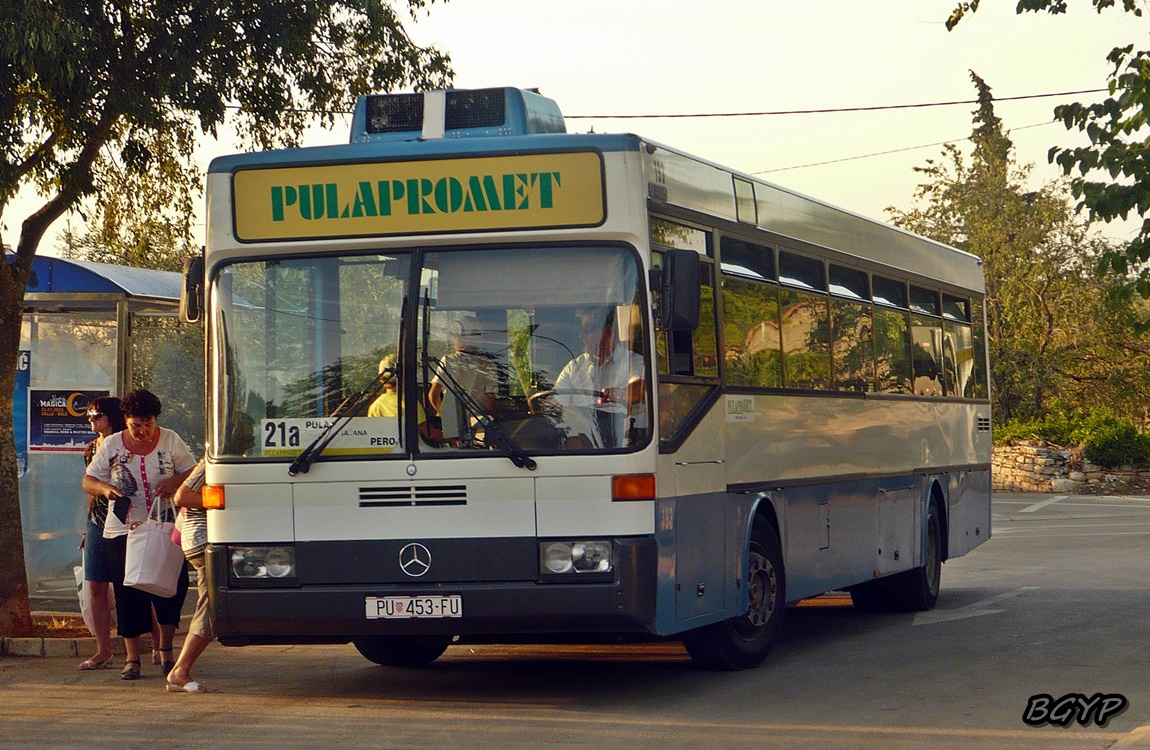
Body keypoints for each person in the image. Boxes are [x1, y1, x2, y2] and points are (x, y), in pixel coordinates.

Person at [82, 389, 197, 680]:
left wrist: (174, 481)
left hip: (166, 524)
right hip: (123, 527)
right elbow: (89, 480)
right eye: (136, 424)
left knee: (170, 586)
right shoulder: (111, 445)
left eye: (148, 423)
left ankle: (166, 650)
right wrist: (107, 489)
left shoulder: (170, 439)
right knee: (127, 590)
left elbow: (194, 472)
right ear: (126, 420)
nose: (143, 430)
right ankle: (132, 657)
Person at [548, 307, 647, 448]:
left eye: (587, 330)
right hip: (581, 440)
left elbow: (640, 387)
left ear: (608, 332)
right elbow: (557, 404)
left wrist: (619, 393)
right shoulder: (573, 367)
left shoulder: (633, 361)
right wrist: (546, 405)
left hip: (623, 442)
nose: (581, 336)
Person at [77, 396, 126, 671]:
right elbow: (89, 486)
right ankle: (103, 650)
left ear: (111, 416)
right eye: (89, 415)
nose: (91, 419)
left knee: (134, 583)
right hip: (97, 519)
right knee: (95, 585)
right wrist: (87, 525)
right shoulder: (90, 448)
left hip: (124, 518)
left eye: (96, 414)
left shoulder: (125, 443)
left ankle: (159, 644)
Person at [427, 316, 499, 444]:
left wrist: (445, 416)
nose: (453, 340)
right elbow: (489, 403)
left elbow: (433, 395)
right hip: (478, 428)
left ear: (462, 338)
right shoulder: (488, 365)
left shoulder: (448, 361)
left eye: (454, 336)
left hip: (454, 430)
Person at [367, 354, 441, 444]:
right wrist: (453, 440)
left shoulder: (375, 406)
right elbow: (429, 433)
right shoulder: (409, 402)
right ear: (404, 376)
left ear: (381, 378)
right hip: (414, 451)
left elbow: (373, 435)